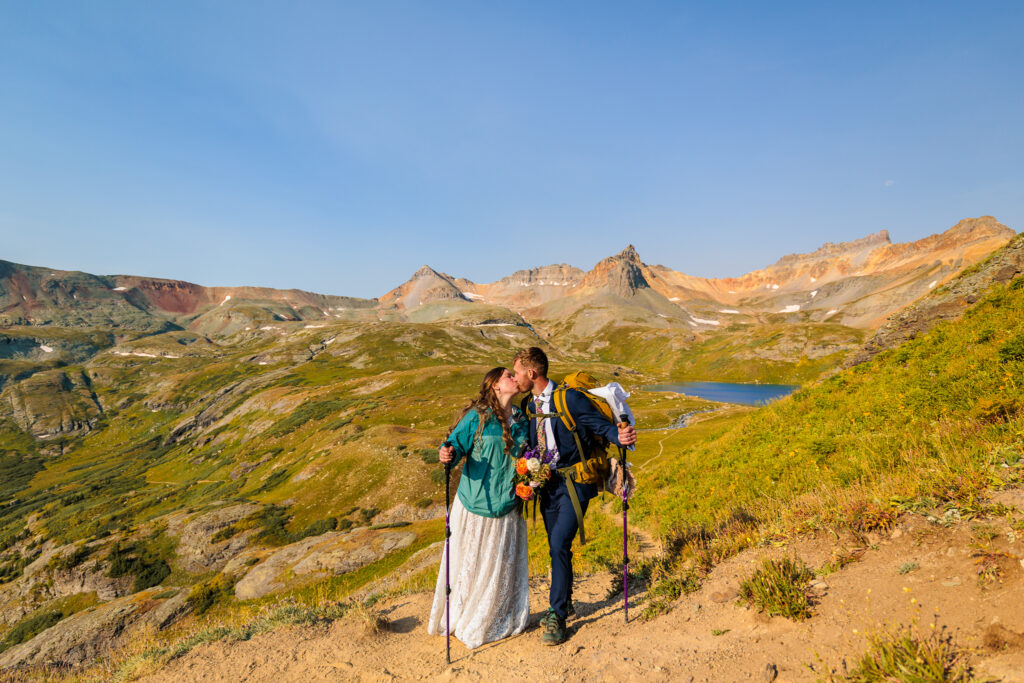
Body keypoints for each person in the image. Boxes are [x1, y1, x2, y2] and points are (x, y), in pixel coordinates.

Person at [512, 347, 636, 646]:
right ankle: (564, 600)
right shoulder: (530, 405)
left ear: (532, 373)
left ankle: (556, 615)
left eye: (516, 372)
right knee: (559, 547)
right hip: (547, 487)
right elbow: (530, 443)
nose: (515, 378)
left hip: (575, 482)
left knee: (558, 544)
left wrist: (617, 436)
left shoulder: (569, 398)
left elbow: (599, 425)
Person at [428, 367, 529, 650]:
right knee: (471, 564)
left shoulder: (522, 420)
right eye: (508, 375)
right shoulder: (477, 417)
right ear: (495, 385)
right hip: (474, 506)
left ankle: (494, 615)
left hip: (508, 506)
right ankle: (464, 615)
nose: (514, 377)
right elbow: (454, 446)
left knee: (499, 566)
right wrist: (446, 453)